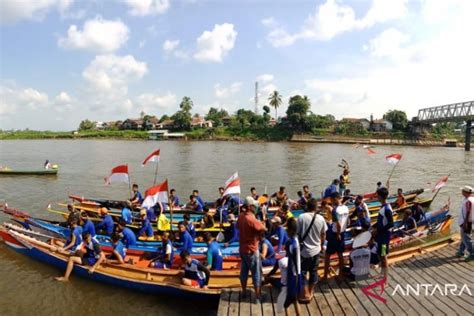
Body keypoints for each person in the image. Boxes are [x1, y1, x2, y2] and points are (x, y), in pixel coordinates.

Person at [297, 198, 327, 303]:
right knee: (314, 271)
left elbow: (297, 233)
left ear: (307, 206)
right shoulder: (321, 218)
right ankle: (311, 291)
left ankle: (305, 294)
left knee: (303, 272)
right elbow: (323, 234)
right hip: (316, 250)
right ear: (316, 207)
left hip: (304, 251)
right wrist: (321, 245)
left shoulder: (301, 217)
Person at [238, 196, 266, 303]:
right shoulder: (252, 219)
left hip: (242, 249)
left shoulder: (241, 217)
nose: (255, 207)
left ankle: (244, 292)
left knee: (244, 272)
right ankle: (258, 297)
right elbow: (264, 229)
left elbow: (238, 227)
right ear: (250, 207)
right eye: (254, 205)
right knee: (256, 273)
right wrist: (262, 222)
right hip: (252, 250)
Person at [323, 193, 349, 280]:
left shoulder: (335, 210)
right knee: (340, 254)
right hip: (342, 233)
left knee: (327, 255)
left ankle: (325, 276)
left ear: (334, 199)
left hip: (335, 234)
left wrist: (337, 234)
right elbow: (347, 221)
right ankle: (340, 274)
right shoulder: (346, 208)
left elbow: (338, 224)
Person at [284, 218, 302, 314]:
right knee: (295, 300)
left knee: (286, 304)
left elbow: (289, 258)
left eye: (287, 229)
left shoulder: (290, 243)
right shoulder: (297, 239)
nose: (286, 230)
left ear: (290, 230)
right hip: (298, 275)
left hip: (293, 275)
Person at [375, 187, 394, 278]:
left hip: (384, 237)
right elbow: (381, 221)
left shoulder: (387, 209)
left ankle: (385, 278)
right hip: (380, 236)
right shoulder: (383, 207)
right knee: (380, 254)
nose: (376, 197)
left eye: (377, 195)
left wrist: (378, 230)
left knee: (383, 256)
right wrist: (374, 227)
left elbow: (391, 223)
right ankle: (382, 273)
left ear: (381, 196)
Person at [456, 186, 474, 261]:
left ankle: (472, 253)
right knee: (464, 237)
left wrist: (465, 223)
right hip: (469, 221)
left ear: (465, 192)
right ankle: (461, 251)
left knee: (466, 238)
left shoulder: (468, 201)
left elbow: (468, 212)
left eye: (462, 191)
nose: (461, 192)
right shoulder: (471, 198)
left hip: (466, 222)